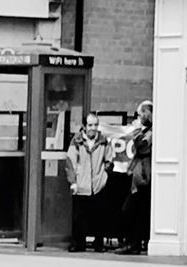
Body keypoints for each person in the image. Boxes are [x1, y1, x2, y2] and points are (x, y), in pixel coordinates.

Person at [65, 112, 112, 252]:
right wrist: (73, 182)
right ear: (84, 126)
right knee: (79, 217)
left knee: (99, 216)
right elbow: (70, 162)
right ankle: (77, 244)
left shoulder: (104, 141)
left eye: (96, 125)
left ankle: (99, 244)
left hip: (98, 184)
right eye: (90, 125)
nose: (93, 128)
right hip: (81, 184)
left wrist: (103, 177)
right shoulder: (76, 141)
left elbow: (109, 161)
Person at [116, 100, 152, 255]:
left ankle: (133, 244)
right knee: (132, 211)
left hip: (143, 177)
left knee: (132, 210)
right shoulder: (146, 131)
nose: (137, 117)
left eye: (139, 114)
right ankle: (133, 243)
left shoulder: (150, 132)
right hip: (137, 176)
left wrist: (137, 130)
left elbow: (142, 147)